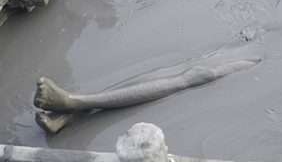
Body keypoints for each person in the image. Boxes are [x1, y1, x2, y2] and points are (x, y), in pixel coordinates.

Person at [32, 57, 259, 134]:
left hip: (266, 56)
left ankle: (73, 102)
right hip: (263, 41)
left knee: (194, 77)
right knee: (178, 74)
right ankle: (73, 113)